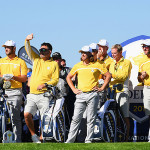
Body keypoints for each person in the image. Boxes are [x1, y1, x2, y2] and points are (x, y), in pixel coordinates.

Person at [65, 46, 111, 143]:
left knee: (91, 118)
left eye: (85, 52)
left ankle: (88, 140)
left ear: (90, 54)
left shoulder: (97, 64)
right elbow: (68, 77)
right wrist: (73, 89)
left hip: (92, 94)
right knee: (76, 118)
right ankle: (70, 140)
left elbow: (108, 75)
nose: (83, 54)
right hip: (80, 95)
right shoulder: (78, 65)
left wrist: (102, 88)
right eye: (82, 52)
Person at [24, 33, 59, 143]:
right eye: (40, 50)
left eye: (44, 50)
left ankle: (43, 137)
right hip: (32, 94)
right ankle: (34, 135)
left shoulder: (53, 64)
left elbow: (55, 79)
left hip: (45, 95)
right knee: (27, 114)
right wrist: (27, 40)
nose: (41, 52)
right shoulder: (36, 60)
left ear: (49, 52)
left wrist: (45, 84)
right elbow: (28, 49)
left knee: (45, 118)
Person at [0, 40, 27, 142]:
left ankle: (17, 140)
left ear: (14, 48)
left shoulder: (20, 62)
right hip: (4, 91)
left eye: (8, 47)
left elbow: (24, 78)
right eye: (5, 47)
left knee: (15, 117)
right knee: (3, 116)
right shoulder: (1, 61)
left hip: (16, 91)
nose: (6, 49)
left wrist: (14, 77)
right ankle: (3, 138)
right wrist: (3, 77)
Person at [109, 44, 132, 141]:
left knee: (124, 115)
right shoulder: (111, 63)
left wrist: (111, 75)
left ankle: (126, 138)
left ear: (120, 52)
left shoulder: (126, 62)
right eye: (112, 53)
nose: (113, 55)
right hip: (112, 91)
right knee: (115, 116)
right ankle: (118, 137)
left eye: (115, 53)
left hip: (122, 90)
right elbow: (111, 77)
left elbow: (123, 76)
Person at [138, 39, 150, 142]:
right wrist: (142, 76)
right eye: (143, 47)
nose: (144, 48)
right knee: (148, 112)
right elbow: (139, 79)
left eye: (146, 46)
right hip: (147, 88)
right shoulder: (142, 61)